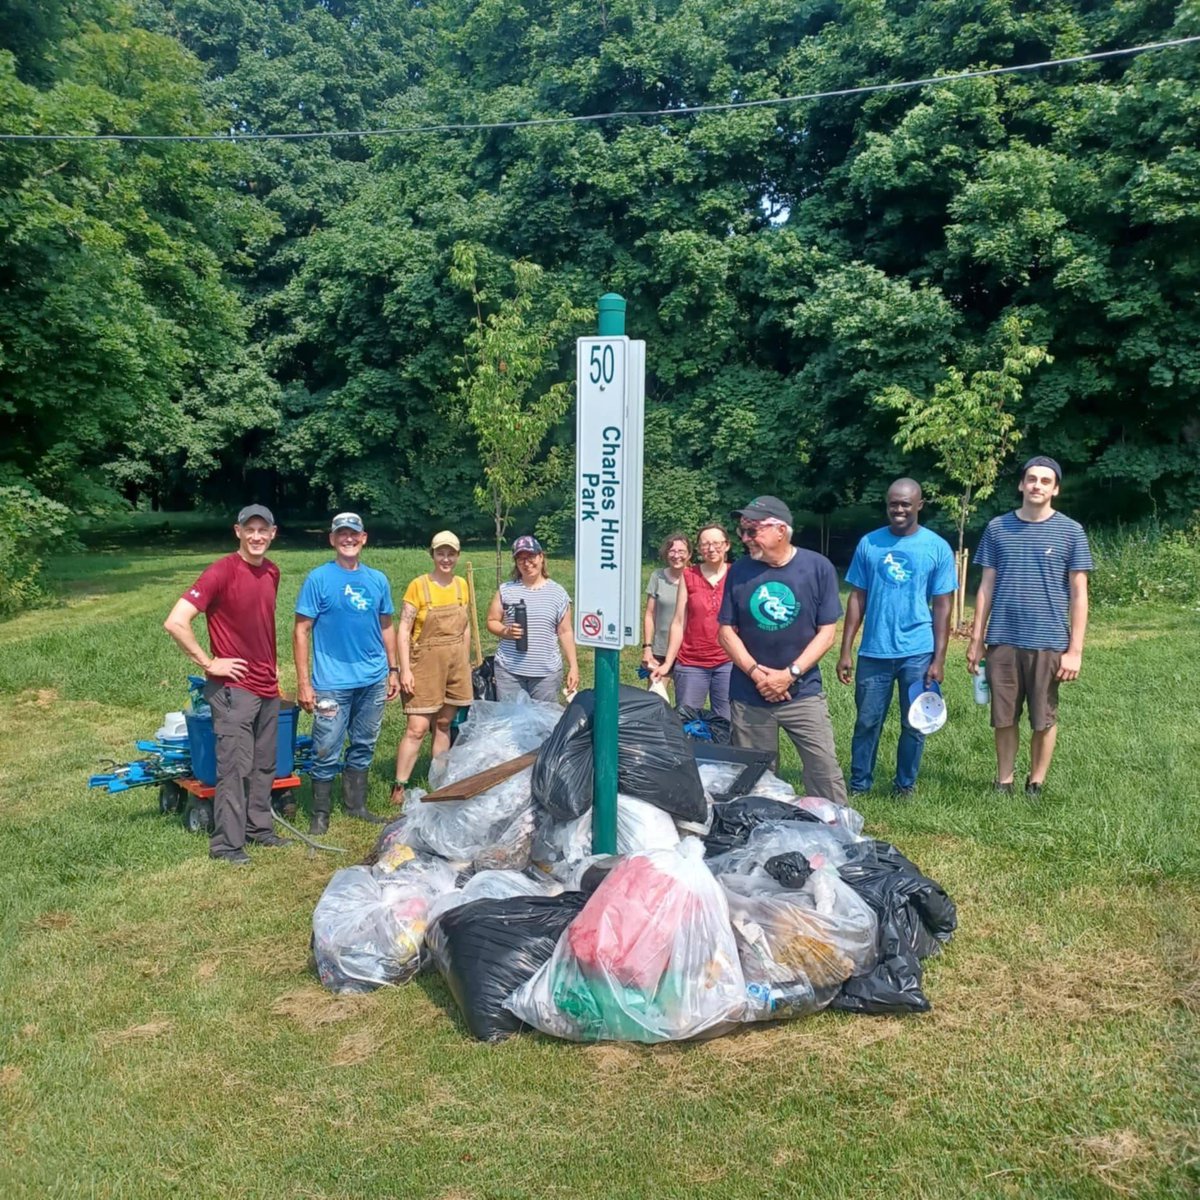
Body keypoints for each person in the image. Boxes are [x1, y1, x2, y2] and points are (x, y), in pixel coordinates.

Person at [163, 504, 287, 865]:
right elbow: (176, 621)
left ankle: (259, 828)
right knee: (234, 767)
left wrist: (273, 667)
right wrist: (208, 662)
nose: (257, 536)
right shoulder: (221, 571)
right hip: (233, 689)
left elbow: (259, 624)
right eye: (250, 529)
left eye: (263, 530)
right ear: (238, 531)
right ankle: (227, 846)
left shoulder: (272, 572)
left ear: (273, 533)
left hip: (266, 685)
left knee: (265, 764)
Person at [967, 456, 1093, 797]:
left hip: (1049, 640)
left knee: (1043, 716)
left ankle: (1036, 782)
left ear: (1055, 489)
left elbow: (1079, 593)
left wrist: (1075, 651)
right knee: (1003, 715)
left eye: (1045, 481)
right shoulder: (997, 528)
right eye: (1032, 479)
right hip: (1003, 638)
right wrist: (977, 639)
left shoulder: (1071, 531)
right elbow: (986, 587)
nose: (1037, 485)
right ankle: (1003, 781)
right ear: (1021, 484)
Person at [717, 495, 848, 804]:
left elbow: (827, 633)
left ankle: (839, 834)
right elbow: (726, 632)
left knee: (824, 771)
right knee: (755, 780)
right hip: (750, 694)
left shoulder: (818, 567)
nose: (745, 539)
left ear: (780, 530)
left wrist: (789, 674)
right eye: (741, 531)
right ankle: (759, 839)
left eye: (753, 531)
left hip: (802, 692)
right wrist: (756, 673)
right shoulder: (739, 572)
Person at [836, 479, 958, 797]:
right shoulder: (870, 544)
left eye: (905, 504)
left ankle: (904, 786)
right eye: (893, 503)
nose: (899, 509)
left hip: (917, 651)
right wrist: (846, 649)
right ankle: (860, 784)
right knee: (866, 722)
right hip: (874, 651)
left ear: (919, 505)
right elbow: (856, 597)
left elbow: (943, 607)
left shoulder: (937, 547)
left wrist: (939, 659)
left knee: (915, 723)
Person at [293, 512, 398, 834]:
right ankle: (320, 814)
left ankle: (356, 806)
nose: (348, 539)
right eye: (342, 534)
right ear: (332, 539)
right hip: (331, 683)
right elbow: (301, 631)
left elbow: (387, 626)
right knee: (326, 746)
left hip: (373, 678)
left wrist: (393, 670)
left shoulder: (377, 580)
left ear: (364, 538)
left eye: (354, 534)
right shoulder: (319, 579)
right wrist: (303, 683)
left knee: (364, 743)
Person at [391, 531, 474, 807]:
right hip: (424, 662)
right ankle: (399, 785)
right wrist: (405, 669)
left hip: (455, 663)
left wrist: (465, 660)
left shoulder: (462, 585)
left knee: (443, 724)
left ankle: (438, 781)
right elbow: (404, 627)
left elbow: (465, 628)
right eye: (441, 553)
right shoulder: (419, 585)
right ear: (433, 554)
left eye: (451, 554)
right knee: (417, 727)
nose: (446, 559)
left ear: (458, 556)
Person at [485, 535, 580, 703]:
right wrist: (506, 631)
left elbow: (565, 631)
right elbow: (492, 621)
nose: (527, 563)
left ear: (541, 557)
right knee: (511, 722)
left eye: (531, 557)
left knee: (543, 724)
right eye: (520, 559)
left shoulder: (558, 593)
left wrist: (573, 666)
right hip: (509, 672)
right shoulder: (506, 590)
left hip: (546, 675)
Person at [652, 524, 733, 719]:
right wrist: (668, 662)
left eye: (716, 543)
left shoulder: (736, 574)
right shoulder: (689, 576)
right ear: (698, 549)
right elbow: (678, 621)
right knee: (687, 721)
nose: (711, 549)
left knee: (728, 722)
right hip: (691, 663)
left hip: (728, 662)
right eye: (705, 544)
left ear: (727, 545)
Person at [641, 531, 691, 673]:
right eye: (672, 551)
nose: (676, 556)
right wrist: (647, 648)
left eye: (681, 551)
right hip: (660, 648)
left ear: (689, 554)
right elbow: (649, 615)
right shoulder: (657, 576)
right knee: (655, 694)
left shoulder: (695, 578)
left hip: (687, 651)